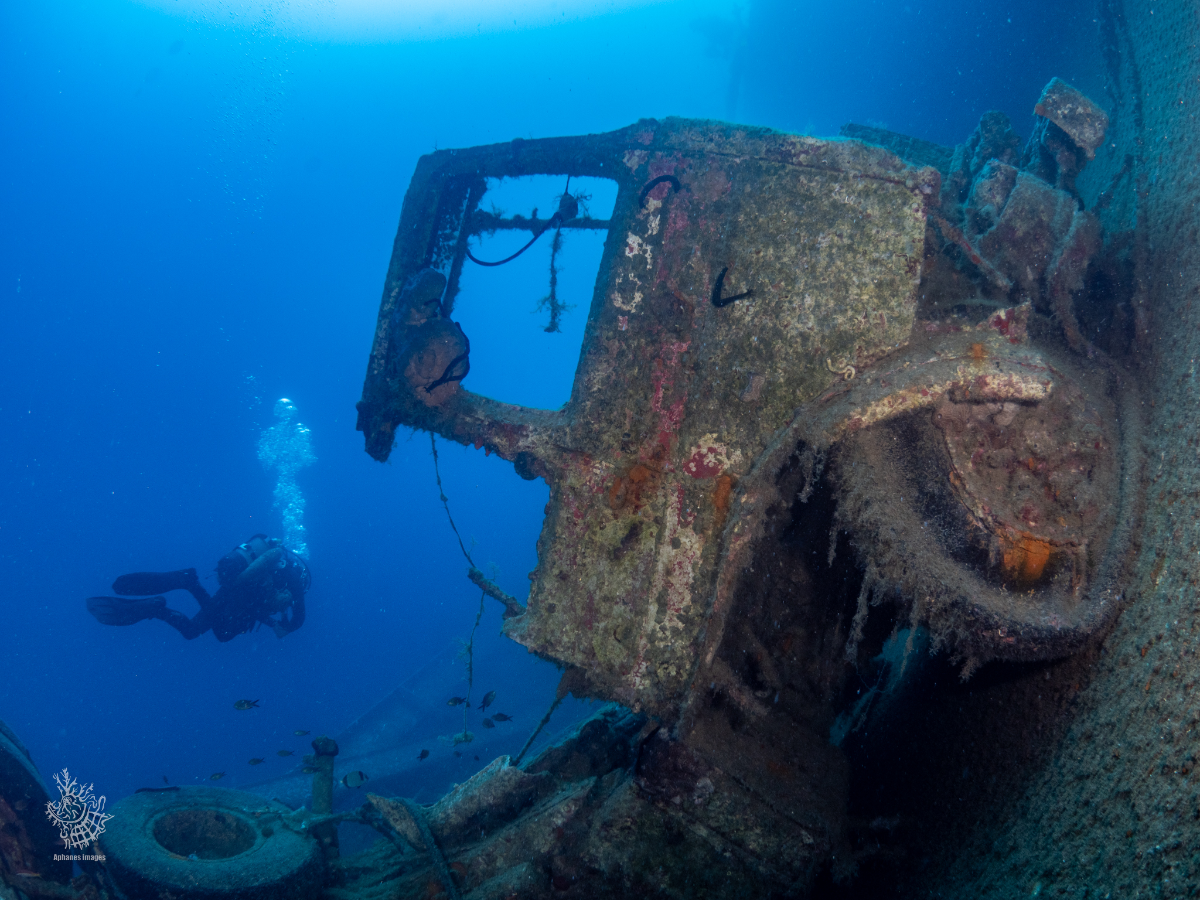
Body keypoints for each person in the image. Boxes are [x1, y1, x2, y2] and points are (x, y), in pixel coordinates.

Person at [86, 535, 310, 642]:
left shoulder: (274, 572)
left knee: (193, 630)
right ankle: (185, 586)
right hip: (239, 598)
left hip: (231, 591)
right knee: (221, 634)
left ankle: (163, 602)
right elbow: (297, 620)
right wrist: (281, 625)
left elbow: (256, 602)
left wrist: (272, 621)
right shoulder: (293, 579)